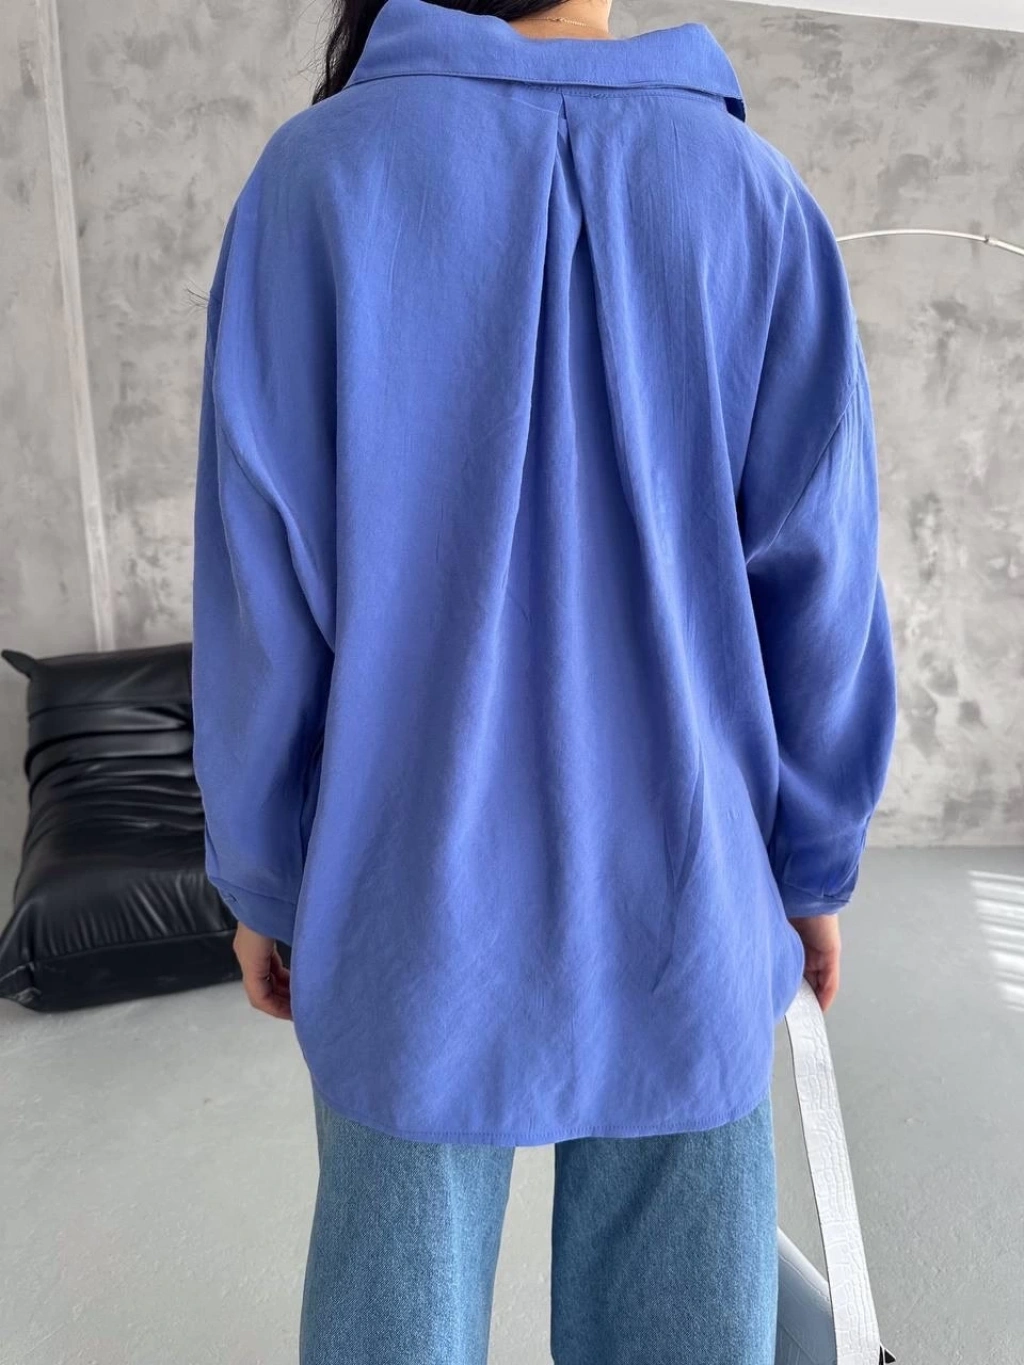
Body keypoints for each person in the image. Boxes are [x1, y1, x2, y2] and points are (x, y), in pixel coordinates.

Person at [190, 0, 898, 1359]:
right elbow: (823, 579)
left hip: (401, 898)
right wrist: (812, 863)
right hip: (690, 890)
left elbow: (259, 586)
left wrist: (265, 878)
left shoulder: (316, 180)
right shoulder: (752, 195)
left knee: (396, 1318)